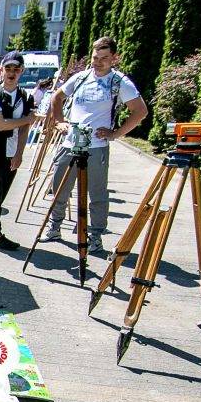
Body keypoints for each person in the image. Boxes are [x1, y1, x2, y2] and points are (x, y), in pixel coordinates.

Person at [42, 37, 148, 253]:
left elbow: (140, 111)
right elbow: (56, 97)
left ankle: (96, 236)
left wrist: (116, 133)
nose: (98, 62)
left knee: (97, 193)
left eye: (104, 58)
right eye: (95, 58)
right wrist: (60, 121)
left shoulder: (119, 82)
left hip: (97, 146)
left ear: (114, 58)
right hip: (71, 142)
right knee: (60, 187)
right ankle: (54, 227)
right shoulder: (80, 78)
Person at [0, 52, 37, 251]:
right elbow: (1, 124)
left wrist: (20, 153)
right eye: (8, 68)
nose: (11, 73)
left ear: (22, 71)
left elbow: (23, 129)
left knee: (1, 194)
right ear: (1, 70)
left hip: (11, 153)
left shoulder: (25, 96)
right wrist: (29, 119)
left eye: (16, 69)